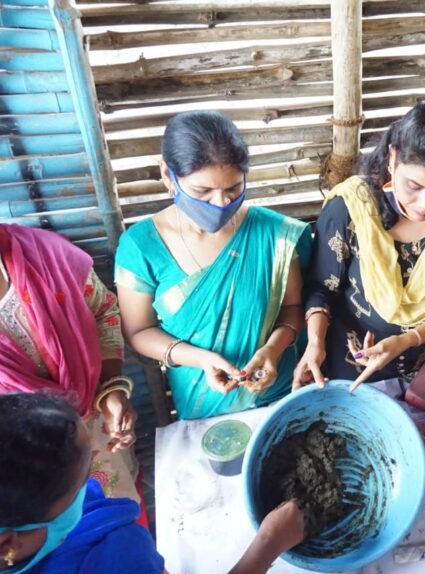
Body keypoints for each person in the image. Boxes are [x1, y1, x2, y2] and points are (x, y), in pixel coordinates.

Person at [116, 111, 311, 420]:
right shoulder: (141, 246)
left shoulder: (275, 235)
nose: (221, 204)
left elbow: (292, 308)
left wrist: (273, 350)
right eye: (202, 192)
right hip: (200, 402)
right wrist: (200, 359)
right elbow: (139, 330)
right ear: (168, 175)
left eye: (233, 189)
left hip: (279, 392)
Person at [293, 98, 425, 391]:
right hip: (347, 364)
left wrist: (408, 339)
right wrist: (314, 343)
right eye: (414, 186)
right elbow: (322, 287)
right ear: (392, 158)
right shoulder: (351, 209)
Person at [0, 392, 305, 574]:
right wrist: (267, 546)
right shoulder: (121, 560)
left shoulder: (37, 523)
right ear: (8, 544)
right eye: (80, 482)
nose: (95, 486)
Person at [0, 224, 138, 501]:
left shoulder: (45, 254)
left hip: (101, 433)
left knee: (125, 518)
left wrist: (112, 389)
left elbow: (104, 311)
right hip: (25, 471)